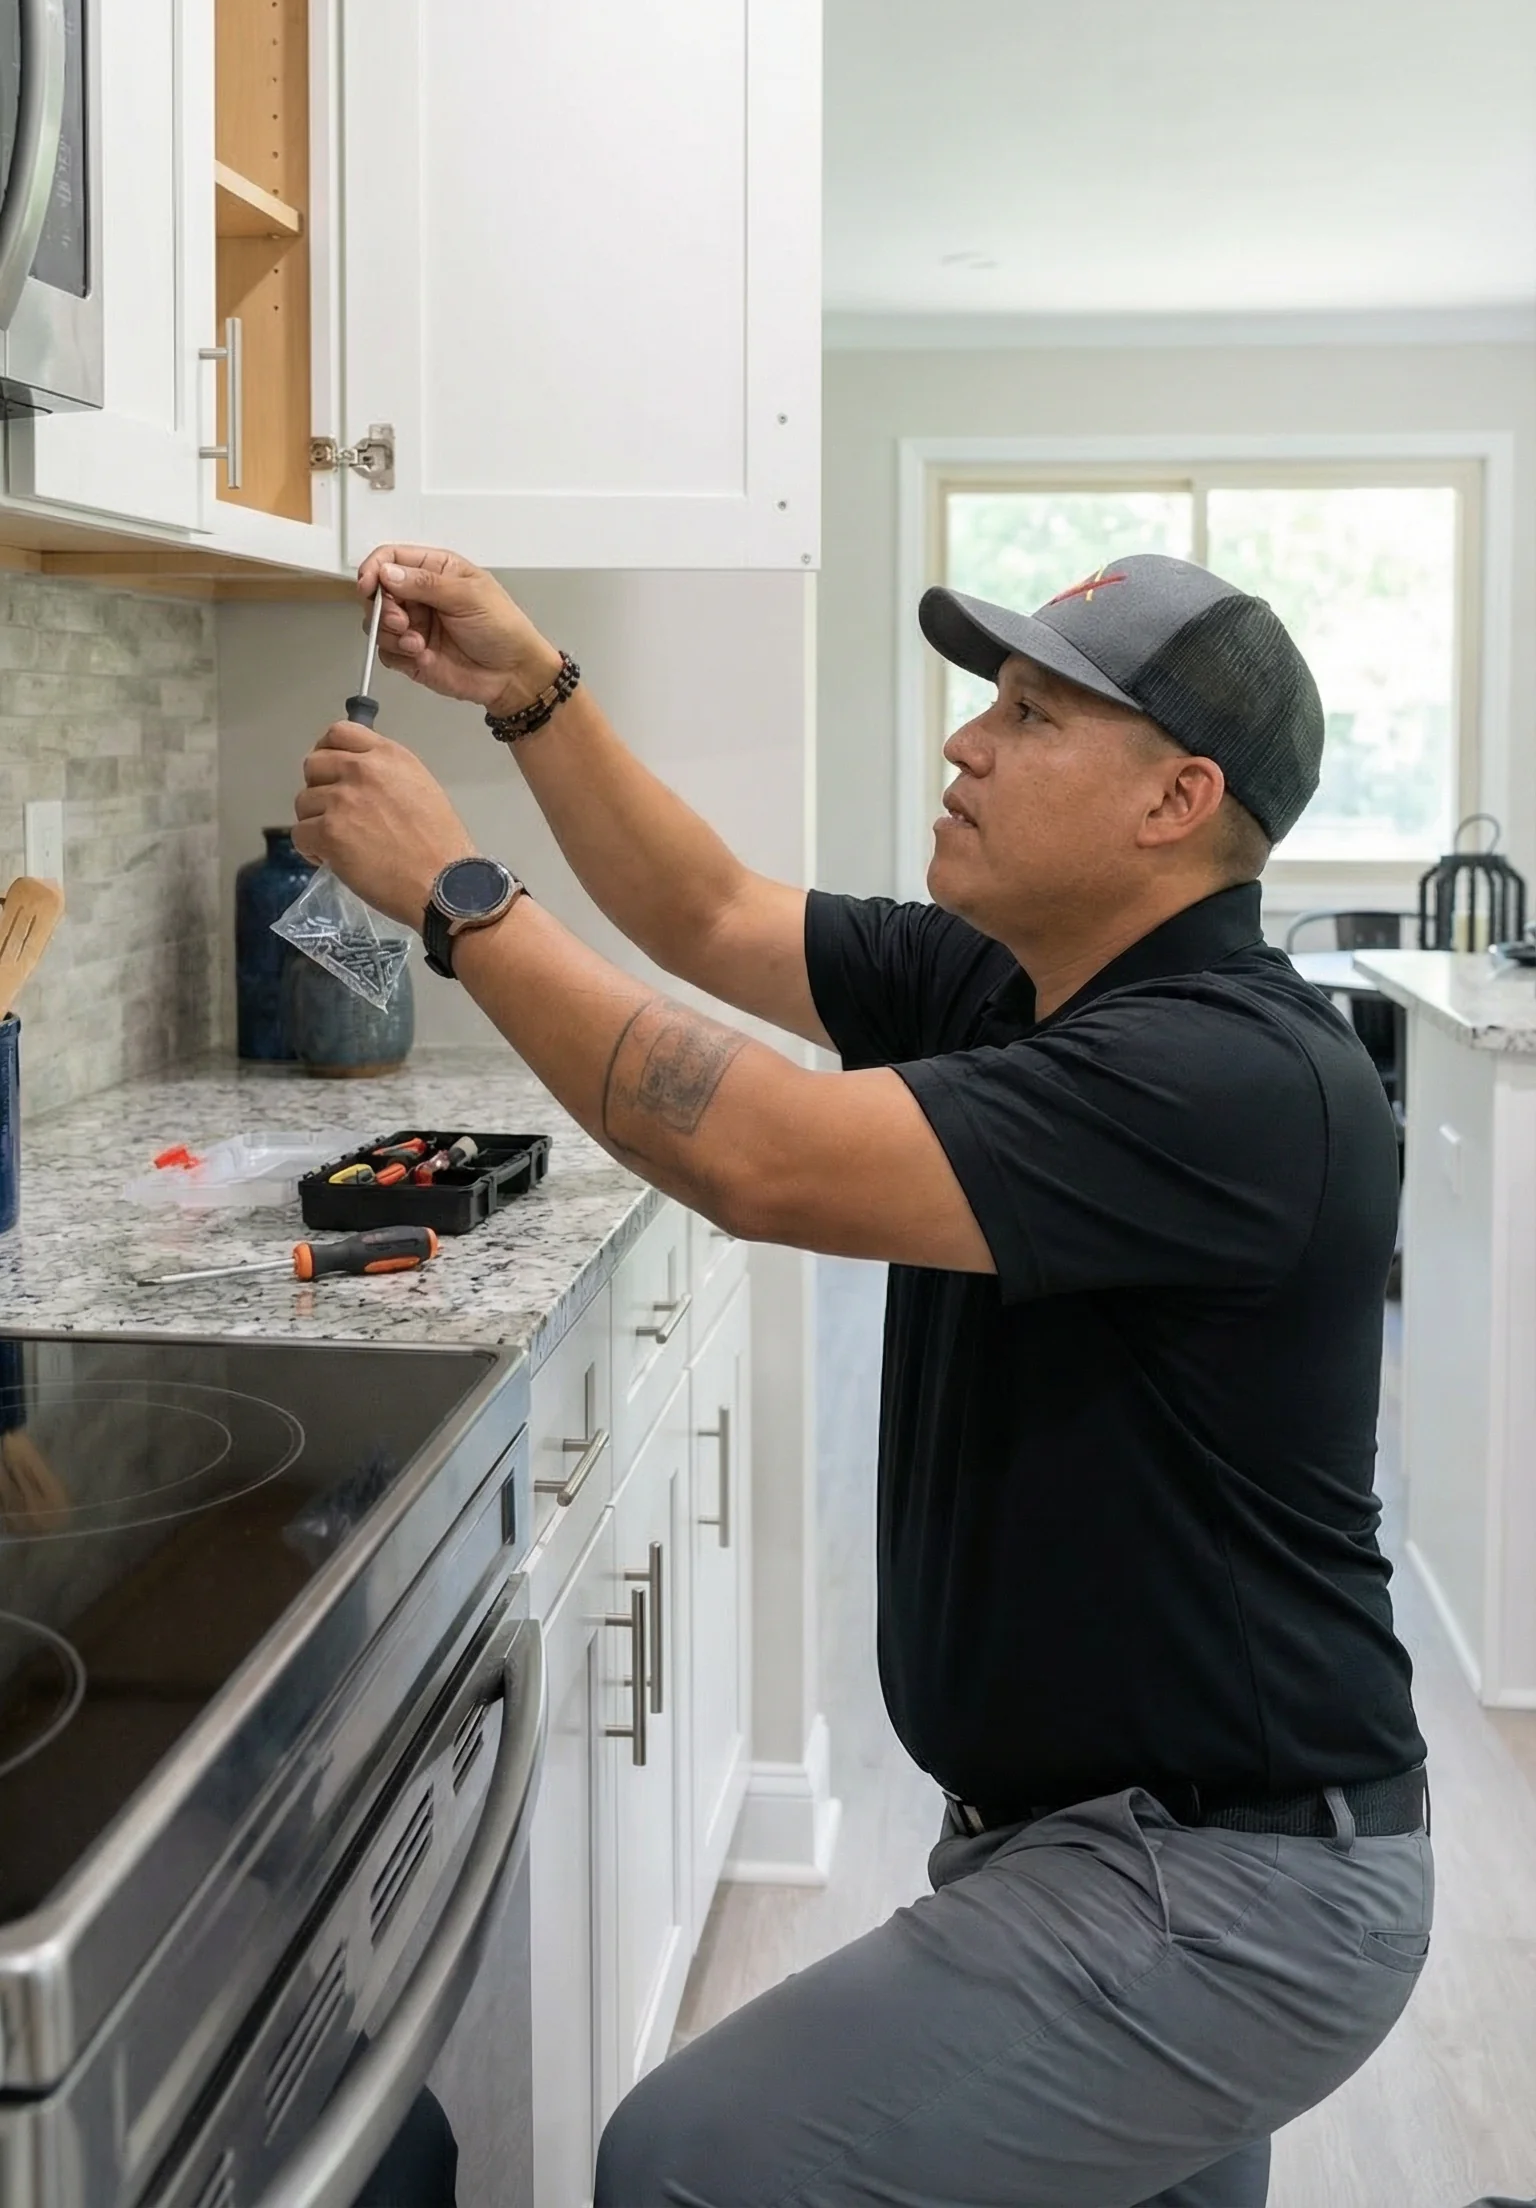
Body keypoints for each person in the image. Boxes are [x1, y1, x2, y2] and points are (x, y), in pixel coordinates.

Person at [295, 545, 1432, 2208]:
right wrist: (533, 688)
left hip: (1225, 1884)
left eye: (1034, 715)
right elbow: (713, 916)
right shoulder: (1024, 989)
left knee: (693, 2163)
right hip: (1114, 1843)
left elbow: (765, 1154)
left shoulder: (1233, 1078)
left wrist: (462, 901)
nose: (969, 743)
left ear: (1176, 802)